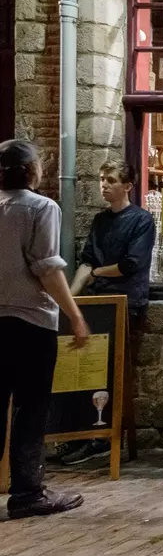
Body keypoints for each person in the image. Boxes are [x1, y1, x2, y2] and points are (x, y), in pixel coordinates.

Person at [0, 139, 90, 518]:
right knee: (31, 408)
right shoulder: (40, 207)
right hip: (29, 321)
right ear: (32, 170)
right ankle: (27, 493)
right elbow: (48, 271)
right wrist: (74, 314)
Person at [63, 160, 155, 465]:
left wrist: (95, 274)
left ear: (127, 186)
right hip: (97, 302)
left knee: (110, 371)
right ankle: (80, 432)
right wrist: (70, 301)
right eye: (101, 179)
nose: (104, 185)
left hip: (125, 303)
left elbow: (131, 264)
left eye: (110, 180)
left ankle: (102, 438)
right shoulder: (100, 221)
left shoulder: (142, 220)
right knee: (84, 368)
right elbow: (86, 261)